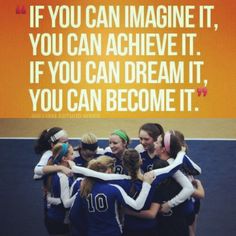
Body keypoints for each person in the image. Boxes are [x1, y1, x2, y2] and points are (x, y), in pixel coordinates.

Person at [70, 156, 155, 236]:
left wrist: (85, 230)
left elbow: (74, 215)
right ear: (109, 171)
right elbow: (137, 206)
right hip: (113, 232)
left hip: (92, 232)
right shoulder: (113, 189)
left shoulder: (83, 190)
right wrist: (146, 184)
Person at [44, 143, 76, 236]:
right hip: (60, 222)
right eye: (72, 154)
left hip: (52, 217)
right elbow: (66, 204)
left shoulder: (52, 170)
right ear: (64, 159)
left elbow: (48, 196)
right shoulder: (63, 178)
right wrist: (80, 192)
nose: (74, 156)